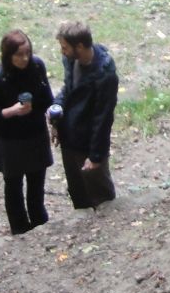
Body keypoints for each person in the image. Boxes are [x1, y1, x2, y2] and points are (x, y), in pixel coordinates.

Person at [0, 30, 55, 236]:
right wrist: (11, 111)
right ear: (8, 55)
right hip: (10, 139)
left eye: (27, 53)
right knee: (13, 185)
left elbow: (47, 98)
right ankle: (19, 226)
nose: (24, 59)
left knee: (36, 182)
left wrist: (47, 113)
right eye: (19, 55)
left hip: (35, 134)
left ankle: (40, 220)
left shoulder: (37, 67)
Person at [48, 21, 118, 210]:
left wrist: (95, 157)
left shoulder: (104, 75)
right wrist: (56, 111)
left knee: (100, 195)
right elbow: (68, 89)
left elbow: (102, 119)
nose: (62, 52)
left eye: (64, 47)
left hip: (88, 144)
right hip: (69, 138)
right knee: (78, 193)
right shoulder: (71, 60)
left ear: (79, 46)